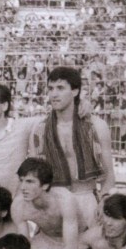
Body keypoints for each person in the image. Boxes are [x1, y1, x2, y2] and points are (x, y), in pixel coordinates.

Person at [29, 67, 115, 228]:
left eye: (60, 88)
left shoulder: (96, 126)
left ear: (75, 91)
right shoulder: (39, 129)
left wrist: (103, 202)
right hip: (55, 200)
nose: (53, 94)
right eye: (50, 88)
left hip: (87, 198)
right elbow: (35, 177)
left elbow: (110, 176)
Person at [10, 158, 85, 249]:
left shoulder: (65, 200)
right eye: (21, 180)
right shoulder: (18, 206)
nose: (22, 187)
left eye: (30, 182)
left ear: (45, 185)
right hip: (46, 239)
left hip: (79, 240)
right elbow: (24, 247)